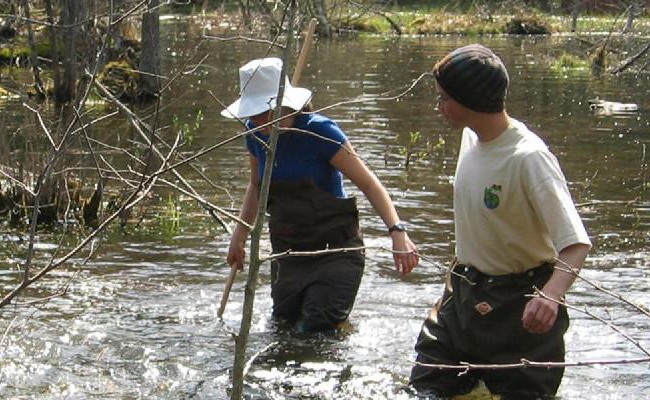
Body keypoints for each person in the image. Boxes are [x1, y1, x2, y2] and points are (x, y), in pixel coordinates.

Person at [408, 44, 592, 399]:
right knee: (424, 388)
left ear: (469, 101)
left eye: (444, 98)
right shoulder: (470, 137)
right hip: (461, 295)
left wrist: (550, 296)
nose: (439, 106)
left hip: (521, 306)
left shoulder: (529, 158)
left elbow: (576, 244)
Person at [223, 57, 419, 334]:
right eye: (251, 114)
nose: (257, 121)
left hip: (336, 252)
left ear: (284, 104)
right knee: (281, 329)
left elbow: (368, 183)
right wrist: (239, 236)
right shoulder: (255, 134)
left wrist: (397, 231)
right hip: (289, 252)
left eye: (263, 113)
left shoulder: (321, 132)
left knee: (312, 332)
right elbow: (256, 186)